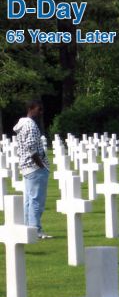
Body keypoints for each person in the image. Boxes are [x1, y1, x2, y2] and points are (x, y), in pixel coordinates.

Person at [13, 99, 52, 239]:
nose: (41, 112)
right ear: (31, 108)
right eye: (38, 109)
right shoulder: (30, 125)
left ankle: (28, 229)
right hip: (35, 167)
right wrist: (41, 165)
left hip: (27, 167)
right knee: (36, 201)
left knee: (29, 200)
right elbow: (31, 147)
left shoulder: (22, 125)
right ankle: (36, 230)